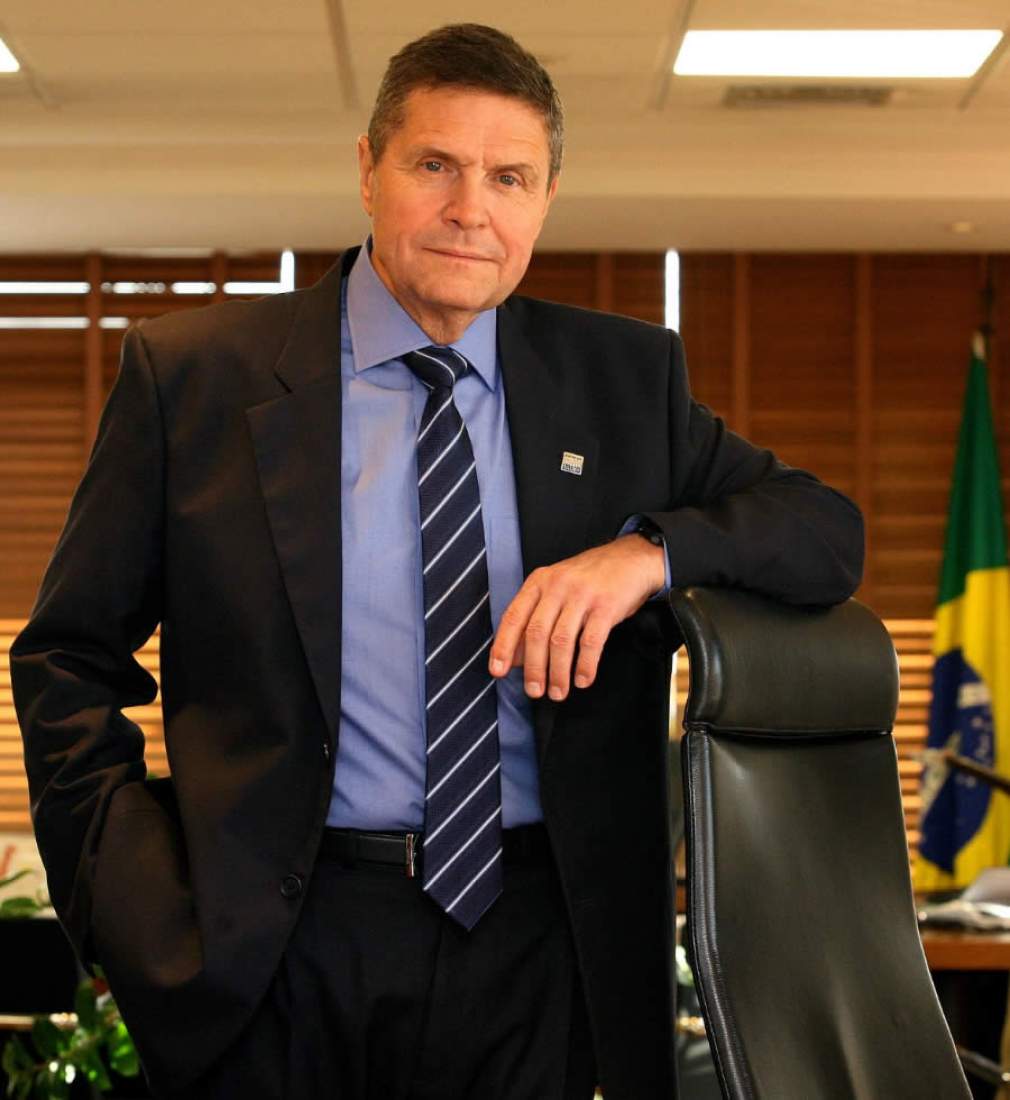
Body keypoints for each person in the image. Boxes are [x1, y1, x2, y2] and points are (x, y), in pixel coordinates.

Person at [10, 22, 863, 1100]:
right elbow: (68, 656)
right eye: (435, 166)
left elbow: (824, 529)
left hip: (540, 947)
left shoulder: (623, 382)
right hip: (276, 950)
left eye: (509, 177)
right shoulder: (197, 380)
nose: (471, 209)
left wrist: (646, 553)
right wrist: (128, 899)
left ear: (545, 200)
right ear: (368, 171)